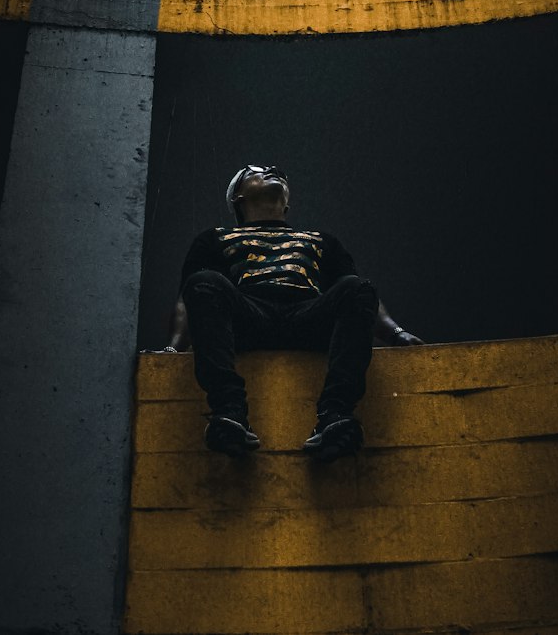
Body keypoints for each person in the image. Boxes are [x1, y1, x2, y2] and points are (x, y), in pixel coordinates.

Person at [165, 164, 422, 462]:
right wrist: (173, 347)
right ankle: (230, 413)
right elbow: (189, 297)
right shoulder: (214, 238)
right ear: (238, 197)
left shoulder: (322, 239)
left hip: (307, 317)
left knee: (357, 286)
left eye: (277, 172)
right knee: (203, 281)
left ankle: (334, 415)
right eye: (256, 171)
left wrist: (396, 333)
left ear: (287, 203)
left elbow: (362, 297)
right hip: (248, 317)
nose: (273, 170)